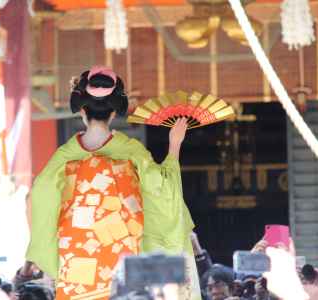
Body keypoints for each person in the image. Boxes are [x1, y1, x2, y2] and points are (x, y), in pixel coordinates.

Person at [26, 66, 200, 300]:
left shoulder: (64, 155)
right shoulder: (130, 150)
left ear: (81, 111)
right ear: (114, 113)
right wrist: (174, 145)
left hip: (77, 265)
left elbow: (40, 198)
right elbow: (163, 192)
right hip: (123, 264)